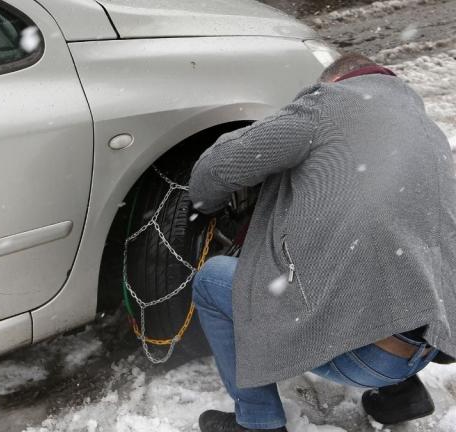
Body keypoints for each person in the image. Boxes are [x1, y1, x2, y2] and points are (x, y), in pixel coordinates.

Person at [188, 53, 456, 432]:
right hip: (430, 343)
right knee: (387, 249)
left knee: (212, 281)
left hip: (367, 356)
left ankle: (257, 421)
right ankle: (402, 396)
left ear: (333, 81)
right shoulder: (426, 131)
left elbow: (218, 168)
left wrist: (205, 205)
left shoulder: (328, 103)